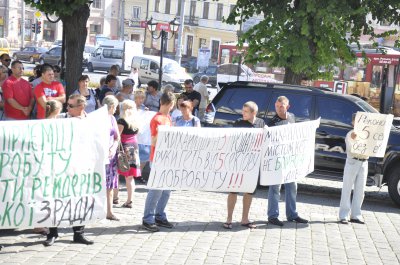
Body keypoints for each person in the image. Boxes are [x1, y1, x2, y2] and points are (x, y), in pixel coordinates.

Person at [44, 94, 93, 246]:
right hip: (60, 167)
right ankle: (52, 233)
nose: (67, 108)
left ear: (81, 107)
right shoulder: (61, 119)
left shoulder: (90, 121)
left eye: (71, 106)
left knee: (79, 199)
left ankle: (79, 233)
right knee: (55, 199)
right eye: (68, 105)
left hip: (81, 167)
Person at [266, 96, 308, 226]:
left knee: (292, 187)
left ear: (287, 107)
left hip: (290, 159)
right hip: (277, 159)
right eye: (277, 106)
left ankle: (292, 214)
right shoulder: (272, 122)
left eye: (281, 106)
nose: (279, 109)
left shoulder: (292, 117)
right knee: (275, 188)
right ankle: (273, 215)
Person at [224, 101, 265, 229]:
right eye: (243, 110)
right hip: (238, 163)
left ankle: (244, 219)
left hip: (253, 164)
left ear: (254, 113)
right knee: (233, 191)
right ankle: (229, 218)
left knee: (249, 191)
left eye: (246, 111)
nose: (243, 113)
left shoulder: (261, 123)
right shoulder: (238, 123)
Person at [142, 92, 175, 232]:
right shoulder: (157, 119)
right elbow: (153, 140)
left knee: (166, 191)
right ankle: (147, 218)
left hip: (167, 158)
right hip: (157, 158)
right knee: (156, 190)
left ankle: (160, 215)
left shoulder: (167, 117)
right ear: (170, 104)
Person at [338, 113, 369, 224]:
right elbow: (351, 147)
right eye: (356, 121)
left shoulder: (368, 134)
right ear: (353, 123)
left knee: (360, 190)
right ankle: (344, 215)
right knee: (347, 188)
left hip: (364, 162)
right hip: (353, 161)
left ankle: (356, 214)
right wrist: (354, 138)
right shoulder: (350, 134)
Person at [117, 100, 142, 207]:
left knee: (117, 173)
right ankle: (129, 200)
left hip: (124, 147)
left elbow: (117, 136)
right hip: (134, 147)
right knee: (130, 176)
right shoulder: (136, 121)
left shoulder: (122, 121)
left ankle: (115, 197)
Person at [102, 95, 120, 221]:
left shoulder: (113, 118)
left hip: (111, 156)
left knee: (110, 185)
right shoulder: (97, 118)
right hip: (100, 156)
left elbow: (117, 137)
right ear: (112, 106)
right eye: (115, 107)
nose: (116, 110)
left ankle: (109, 211)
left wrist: (113, 148)